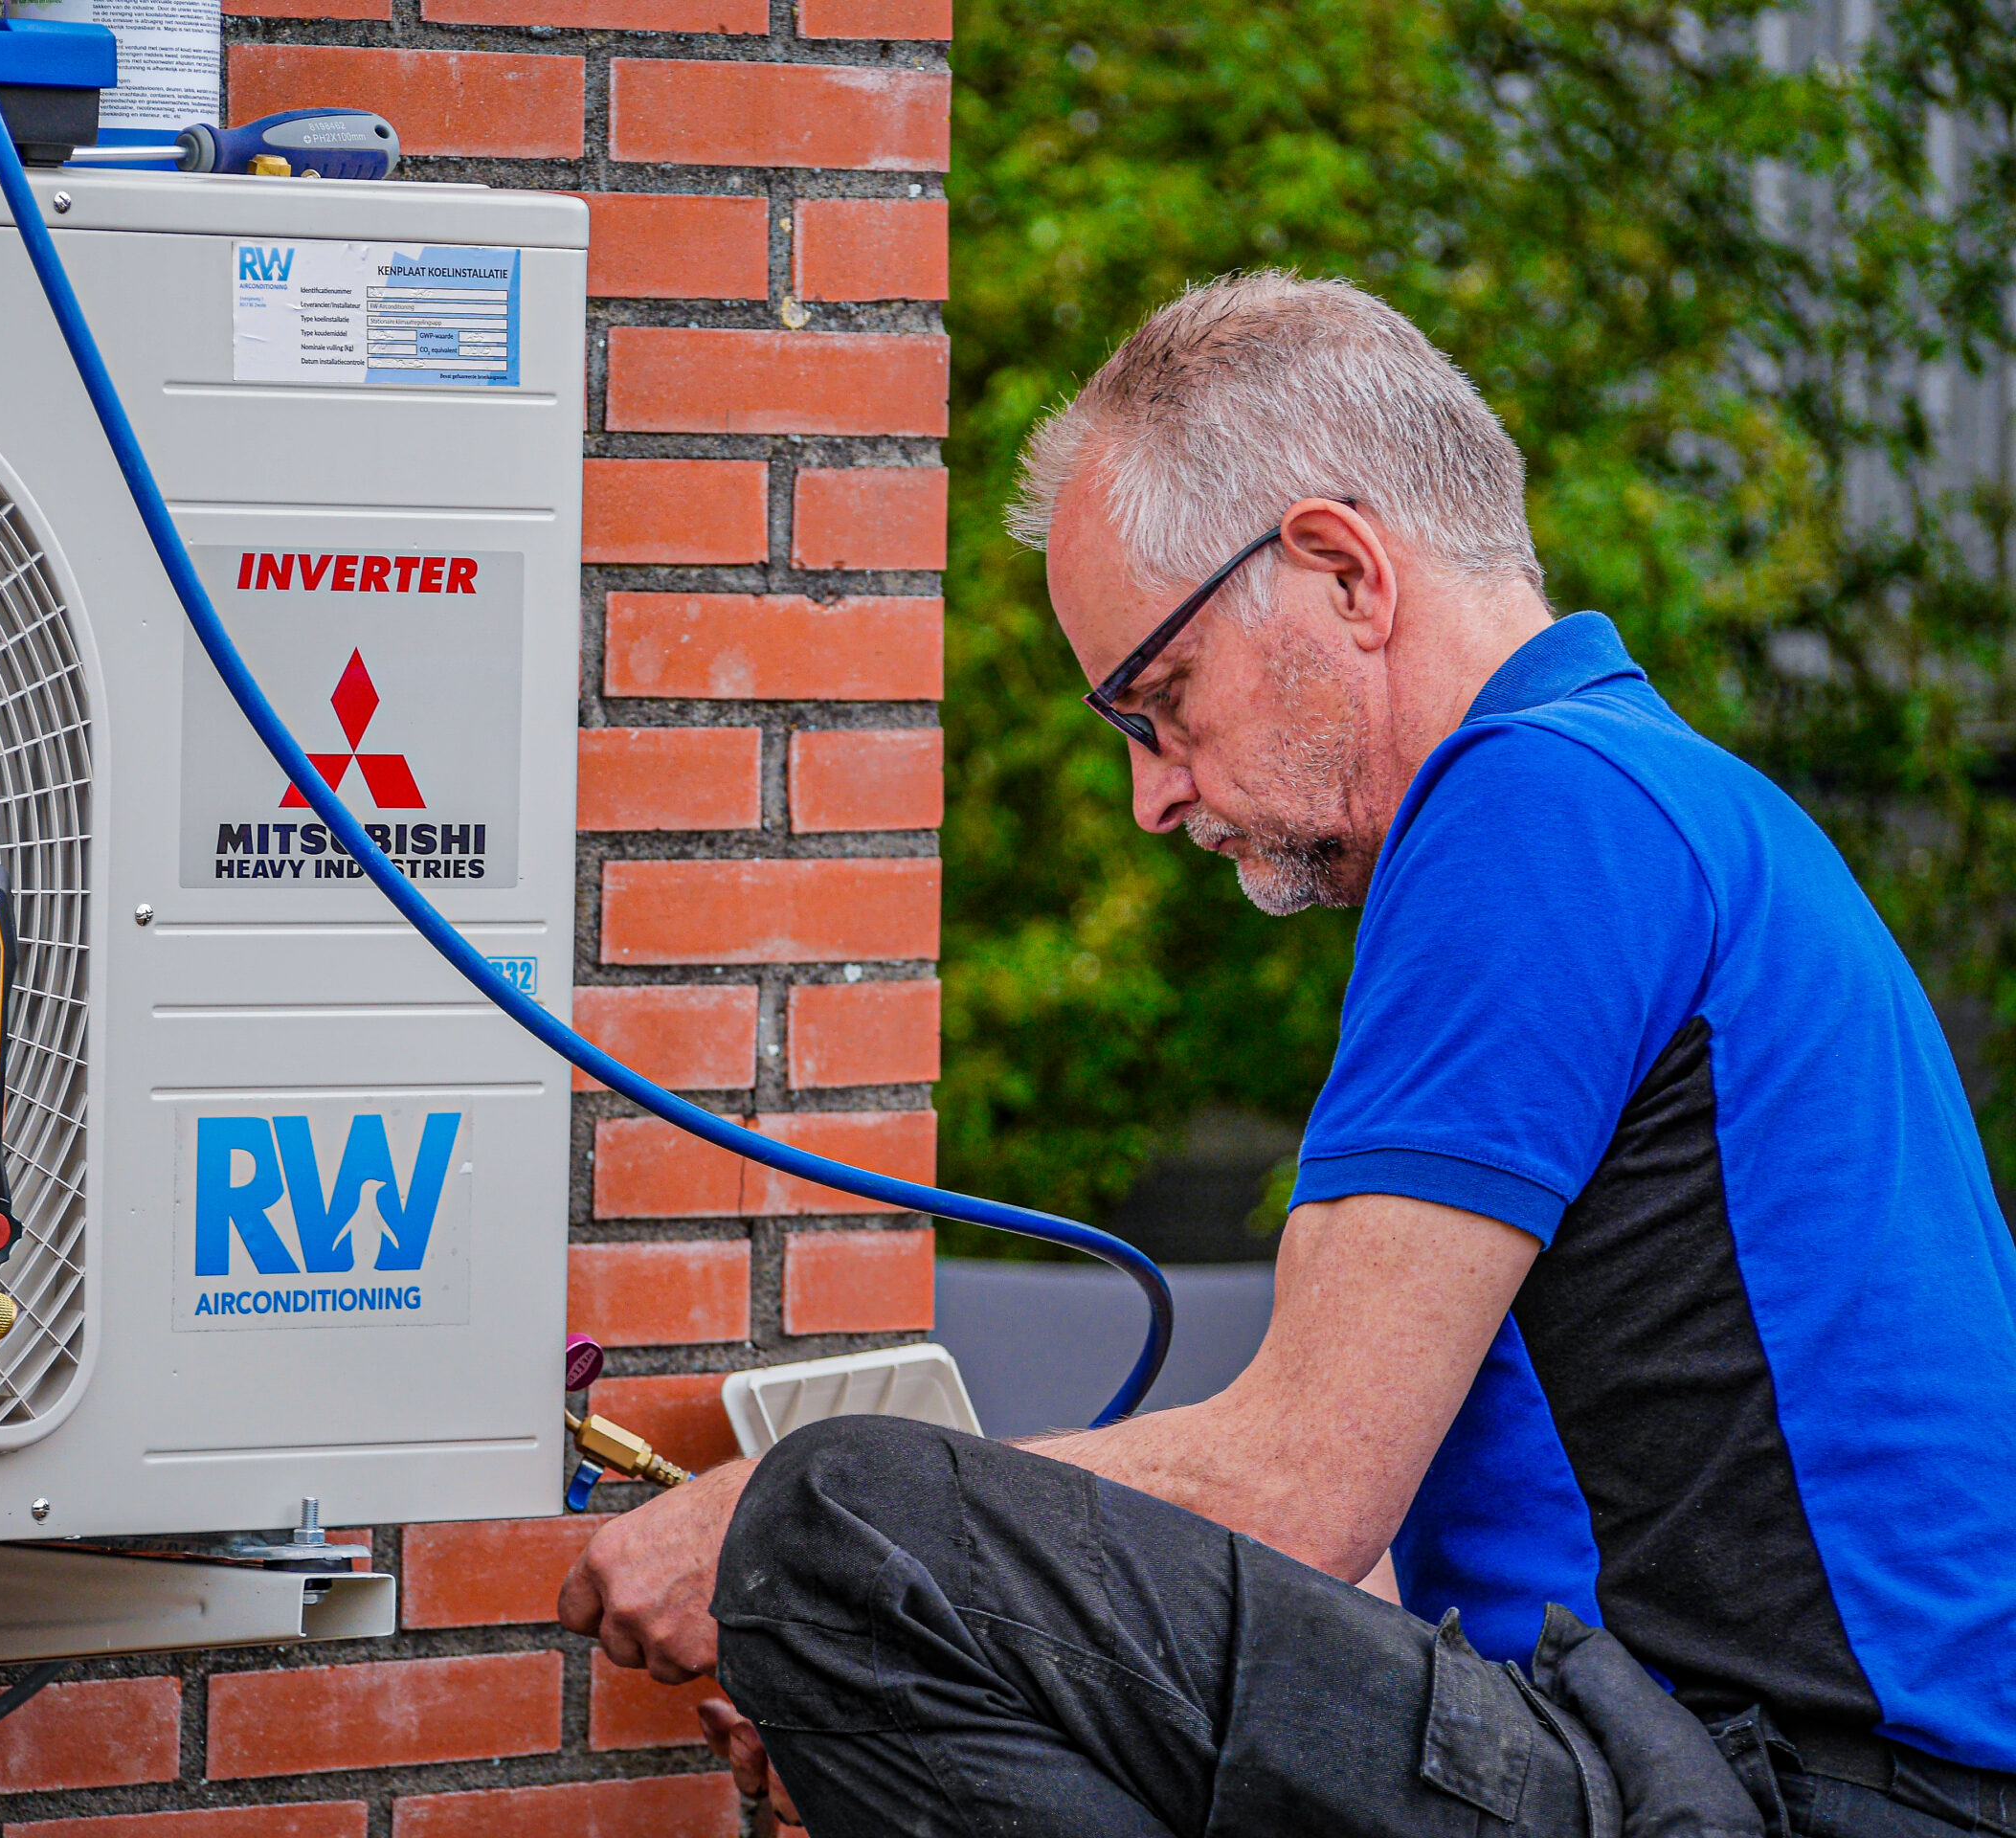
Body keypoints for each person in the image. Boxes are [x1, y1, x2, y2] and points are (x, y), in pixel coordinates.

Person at [557, 273, 2016, 1838]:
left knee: (844, 1511)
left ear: (1338, 570)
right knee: (866, 1582)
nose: (1153, 795)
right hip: (1706, 1763)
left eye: (1161, 703)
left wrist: (779, 1551)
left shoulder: (1543, 812)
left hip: (1816, 1795)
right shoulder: (1635, 804)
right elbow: (1362, 1569)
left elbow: (1294, 1495)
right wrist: (921, 1683)